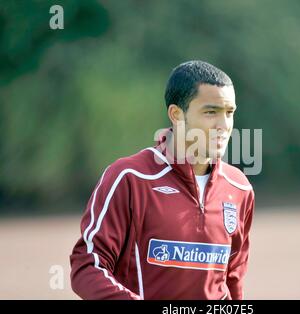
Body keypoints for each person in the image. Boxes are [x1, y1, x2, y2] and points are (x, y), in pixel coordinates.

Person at [70, 60, 255, 300]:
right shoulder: (130, 178)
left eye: (229, 113)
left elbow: (232, 281)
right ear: (177, 114)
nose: (224, 125)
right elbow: (87, 266)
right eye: (211, 112)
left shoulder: (239, 187)